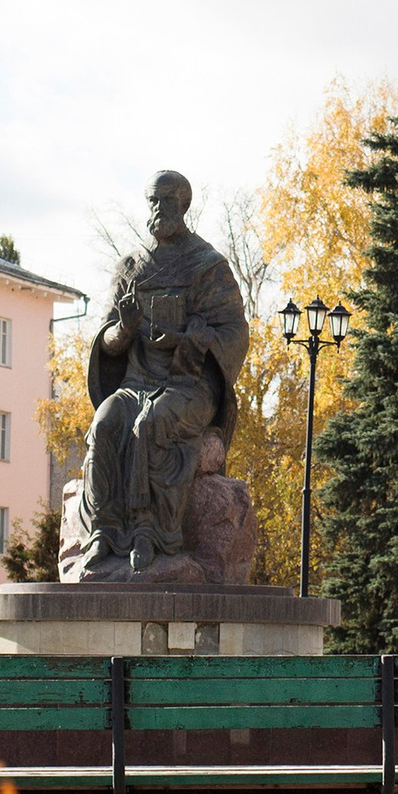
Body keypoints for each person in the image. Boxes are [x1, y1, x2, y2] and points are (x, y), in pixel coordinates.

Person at [62, 170, 248, 580]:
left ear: (184, 205)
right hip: (135, 382)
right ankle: (104, 533)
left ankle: (152, 533)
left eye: (167, 200)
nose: (159, 209)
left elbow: (235, 333)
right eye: (153, 200)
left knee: (152, 425)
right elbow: (108, 341)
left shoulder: (208, 266)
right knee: (106, 422)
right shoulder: (131, 266)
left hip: (189, 384)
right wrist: (124, 328)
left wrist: (189, 337)